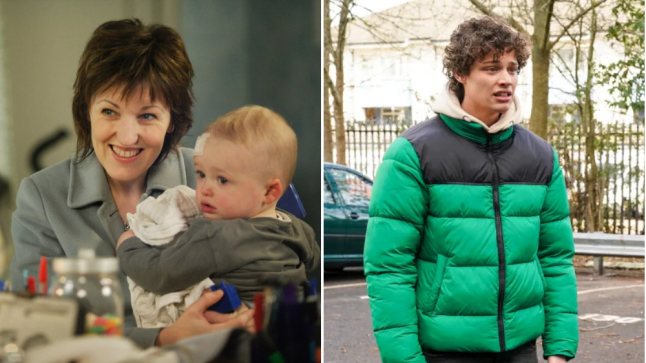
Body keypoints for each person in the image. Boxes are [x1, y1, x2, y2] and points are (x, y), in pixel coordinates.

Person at [10, 18, 254, 348]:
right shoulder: (40, 198)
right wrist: (161, 337)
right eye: (109, 112)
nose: (126, 136)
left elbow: (257, 281)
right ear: (87, 112)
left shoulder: (211, 177)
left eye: (147, 115)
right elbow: (39, 326)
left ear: (172, 120)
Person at [363, 16, 578, 363]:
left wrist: (560, 348)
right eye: (491, 68)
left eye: (512, 68)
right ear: (461, 74)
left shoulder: (540, 156)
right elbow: (389, 266)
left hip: (521, 350)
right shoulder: (413, 153)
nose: (506, 79)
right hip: (444, 351)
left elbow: (555, 258)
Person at [114, 105, 320, 328]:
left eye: (222, 180)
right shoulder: (299, 229)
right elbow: (313, 261)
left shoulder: (216, 236)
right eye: (201, 174)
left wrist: (129, 247)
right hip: (296, 329)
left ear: (270, 192)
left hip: (239, 339)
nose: (204, 189)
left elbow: (160, 275)